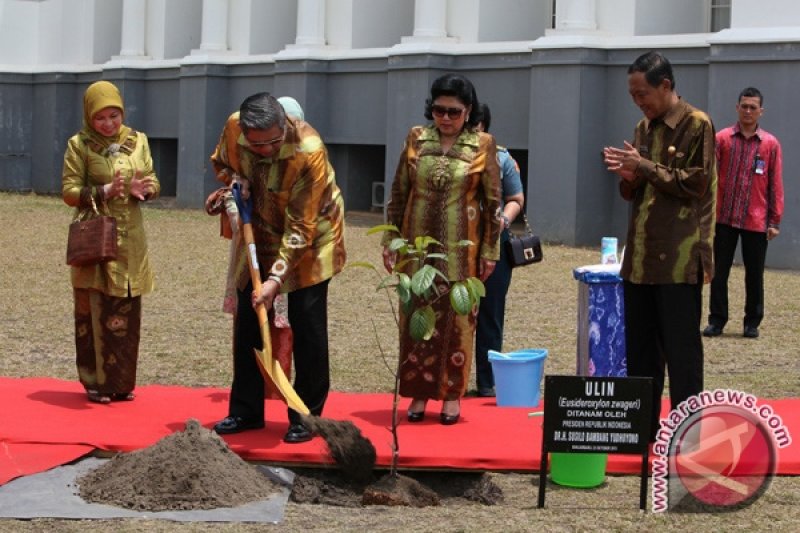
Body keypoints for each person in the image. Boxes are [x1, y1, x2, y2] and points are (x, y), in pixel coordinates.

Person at [210, 92, 346, 444]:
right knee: (249, 320)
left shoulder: (308, 150)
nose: (266, 150)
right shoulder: (233, 128)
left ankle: (305, 415)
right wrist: (235, 179)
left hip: (313, 240)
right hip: (259, 229)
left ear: (284, 124)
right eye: (257, 146)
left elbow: (302, 227)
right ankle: (245, 410)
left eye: (272, 142)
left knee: (307, 326)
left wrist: (274, 281)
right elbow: (221, 162)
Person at [602, 51, 716, 440]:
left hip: (680, 257)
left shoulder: (697, 124)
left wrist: (644, 167)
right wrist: (628, 175)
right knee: (641, 352)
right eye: (633, 96)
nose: (639, 102)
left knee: (682, 352)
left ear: (665, 86)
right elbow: (635, 193)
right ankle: (642, 429)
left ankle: (687, 434)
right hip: (640, 258)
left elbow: (695, 183)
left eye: (643, 94)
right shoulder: (642, 128)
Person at [384, 73, 502, 425]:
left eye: (454, 111)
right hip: (416, 249)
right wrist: (391, 241)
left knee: (458, 322)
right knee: (417, 319)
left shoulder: (483, 145)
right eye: (439, 110)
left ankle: (452, 396)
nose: (446, 119)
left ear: (468, 111)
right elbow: (398, 194)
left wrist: (489, 252)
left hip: (461, 251)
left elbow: (493, 203)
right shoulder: (416, 139)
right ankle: (419, 394)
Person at [62, 80, 160, 404]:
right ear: (89, 117)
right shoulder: (80, 145)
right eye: (100, 118)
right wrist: (104, 192)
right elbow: (69, 191)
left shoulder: (138, 141)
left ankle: (121, 383)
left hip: (130, 241)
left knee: (126, 312)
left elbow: (152, 179)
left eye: (113, 116)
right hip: (96, 240)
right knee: (95, 310)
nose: (108, 124)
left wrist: (143, 190)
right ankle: (95, 383)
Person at [703, 87, 784, 339]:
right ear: (736, 107)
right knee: (719, 272)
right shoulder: (722, 139)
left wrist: (774, 220)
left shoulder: (770, 144)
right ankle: (717, 320)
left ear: (761, 111)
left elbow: (775, 184)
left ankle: (752, 322)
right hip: (724, 217)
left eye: (753, 107)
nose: (748, 111)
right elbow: (709, 178)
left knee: (754, 274)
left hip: (756, 220)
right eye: (744, 106)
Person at [473, 103, 525, 398]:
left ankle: (486, 381)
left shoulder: (503, 159)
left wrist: (504, 219)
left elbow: (517, 198)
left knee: (490, 313)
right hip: (458, 245)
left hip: (495, 244)